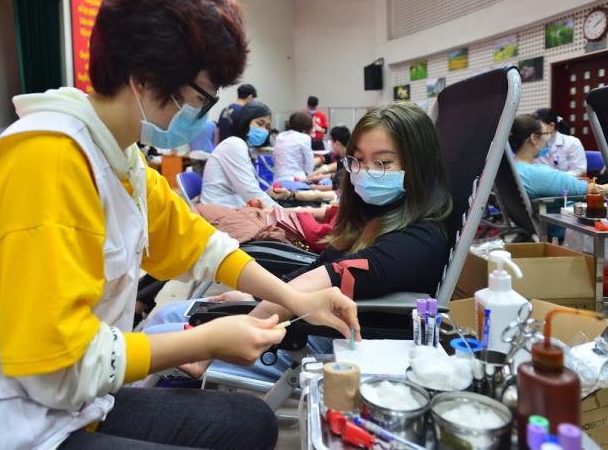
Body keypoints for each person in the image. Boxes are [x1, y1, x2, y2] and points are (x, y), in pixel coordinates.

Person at [0, 0, 358, 450]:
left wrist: (295, 299)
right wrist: (207, 341)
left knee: (249, 422)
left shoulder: (119, 156)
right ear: (144, 77)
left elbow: (197, 244)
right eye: (200, 97)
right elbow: (55, 364)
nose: (201, 113)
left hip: (53, 399)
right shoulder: (46, 162)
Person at [151, 102, 453, 380]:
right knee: (169, 315)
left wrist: (214, 347)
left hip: (323, 340)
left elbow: (321, 280)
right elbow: (318, 268)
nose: (365, 173)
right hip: (302, 320)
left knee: (160, 333)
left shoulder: (420, 240)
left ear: (418, 166)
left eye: (383, 163)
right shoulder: (371, 216)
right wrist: (251, 298)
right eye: (359, 160)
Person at [201, 101, 283, 209]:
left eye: (267, 127)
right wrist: (285, 213)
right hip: (220, 210)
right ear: (245, 121)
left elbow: (249, 189)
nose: (264, 130)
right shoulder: (234, 144)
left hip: (230, 206)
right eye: (260, 123)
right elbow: (250, 192)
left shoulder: (242, 146)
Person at [511, 114, 608, 199]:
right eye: (545, 134)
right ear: (534, 138)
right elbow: (599, 190)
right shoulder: (540, 175)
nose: (547, 139)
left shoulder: (508, 168)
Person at [532, 108, 586, 176]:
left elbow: (580, 172)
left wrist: (554, 178)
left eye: (538, 127)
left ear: (551, 126)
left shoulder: (572, 143)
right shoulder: (532, 144)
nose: (535, 131)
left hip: (567, 182)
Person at [273, 112, 314, 182]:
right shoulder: (304, 137)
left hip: (278, 179)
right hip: (296, 179)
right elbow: (309, 163)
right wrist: (310, 176)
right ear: (306, 127)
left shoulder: (280, 136)